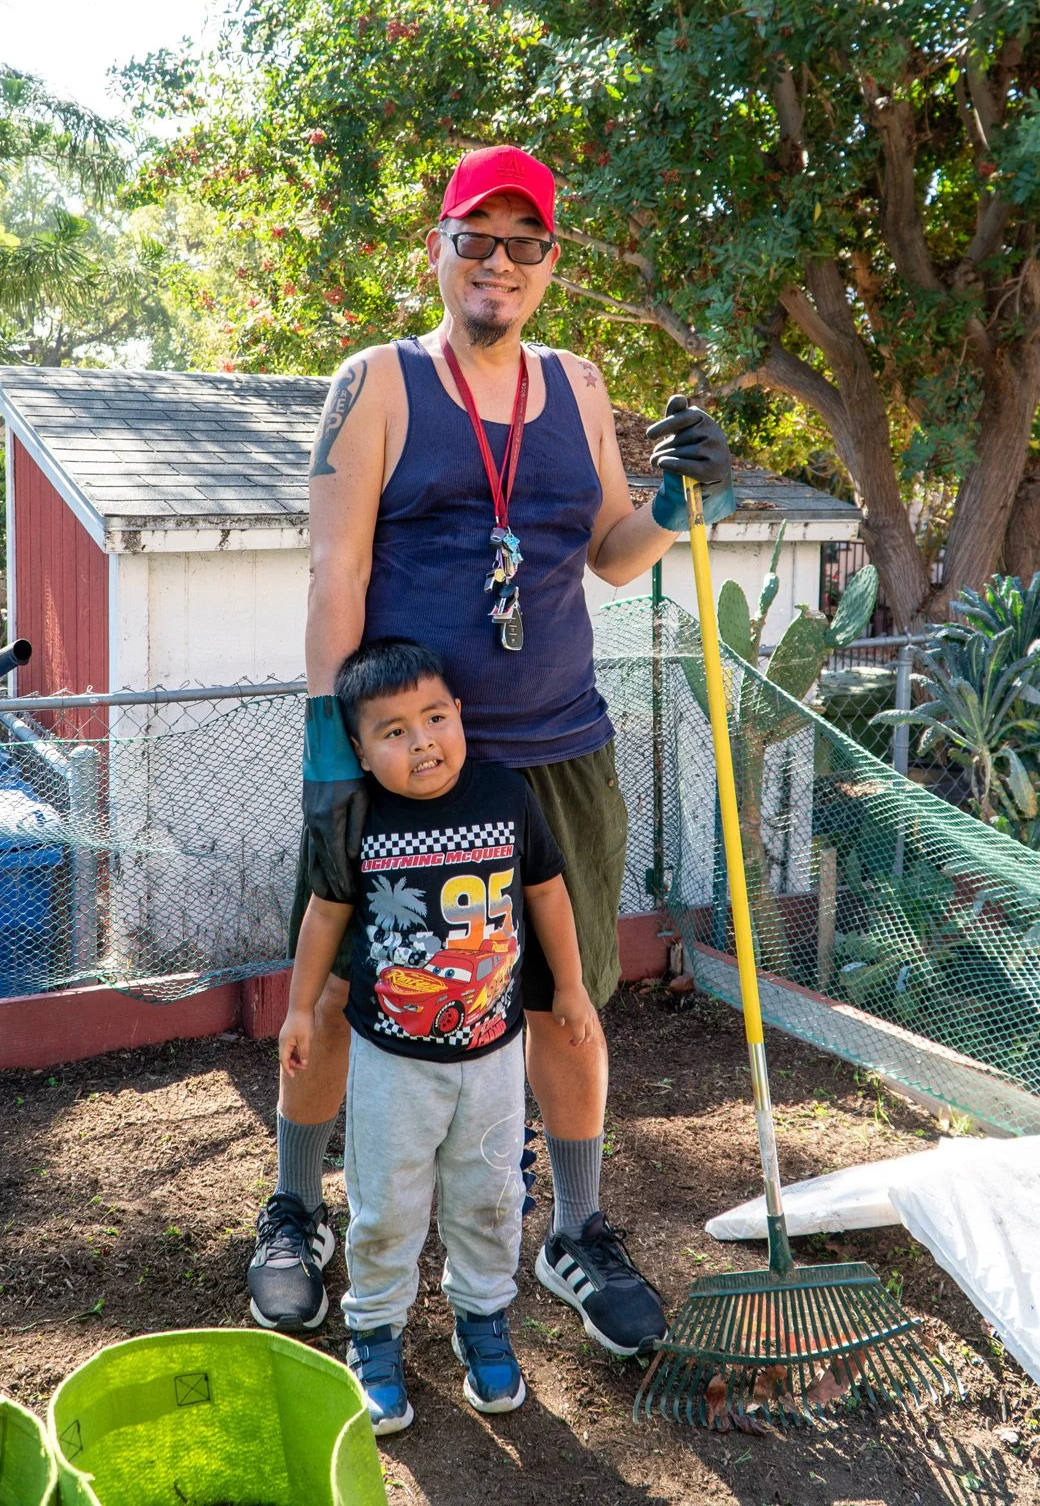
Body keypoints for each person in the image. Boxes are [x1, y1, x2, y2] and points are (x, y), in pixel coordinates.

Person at [248, 143, 734, 1356]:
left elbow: (611, 548)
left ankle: (575, 1230)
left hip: (557, 751)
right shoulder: (380, 383)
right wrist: (328, 755)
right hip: (407, 762)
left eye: (525, 244)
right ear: (440, 249)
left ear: (550, 263)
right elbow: (336, 568)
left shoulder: (577, 385)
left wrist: (676, 507)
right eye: (477, 237)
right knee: (347, 986)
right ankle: (297, 1209)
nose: (499, 264)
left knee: (570, 1000)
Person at [279, 637, 594, 1434]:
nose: (422, 742)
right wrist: (296, 1008)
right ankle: (375, 1333)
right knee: (385, 1205)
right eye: (394, 731)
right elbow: (325, 915)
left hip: (494, 1056)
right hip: (393, 1062)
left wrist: (573, 987)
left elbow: (549, 892)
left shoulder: (505, 791)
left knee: (493, 1198)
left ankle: (482, 1320)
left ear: (461, 715)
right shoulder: (360, 819)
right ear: (359, 749)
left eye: (436, 717)